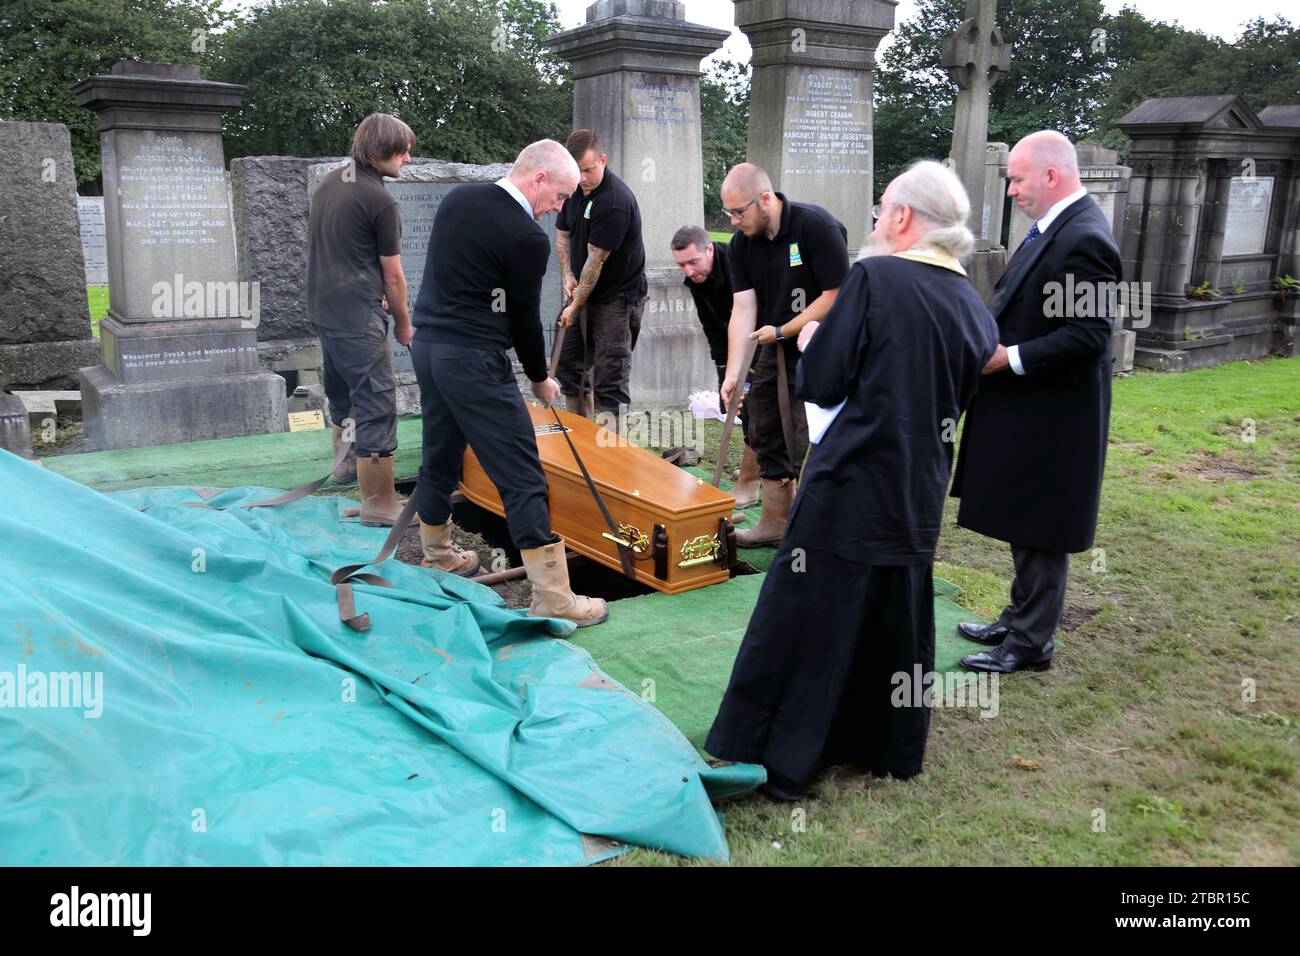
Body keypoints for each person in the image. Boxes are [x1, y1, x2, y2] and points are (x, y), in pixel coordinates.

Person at [705, 161, 999, 799]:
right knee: (895, 618)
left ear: (900, 218)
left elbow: (827, 378)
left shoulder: (877, 277)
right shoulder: (970, 301)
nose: (873, 222)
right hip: (918, 486)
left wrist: (811, 339)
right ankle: (885, 744)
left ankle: (782, 755)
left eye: (881, 209)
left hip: (852, 479)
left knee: (814, 616)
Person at [408, 140, 607, 624]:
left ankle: (436, 554)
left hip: (429, 349)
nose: (559, 208)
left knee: (440, 450)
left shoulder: (459, 198)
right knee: (521, 474)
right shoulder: (525, 236)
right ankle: (555, 597)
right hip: (474, 361)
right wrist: (541, 378)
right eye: (560, 196)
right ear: (538, 178)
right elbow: (521, 320)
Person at [952, 130, 1120, 675]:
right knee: (1025, 515)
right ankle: (1019, 615)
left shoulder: (1085, 237)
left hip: (1056, 414)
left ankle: (1031, 642)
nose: (1012, 192)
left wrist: (1010, 357)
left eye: (1017, 180)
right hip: (1032, 407)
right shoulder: (1053, 228)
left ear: (1051, 175)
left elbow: (1091, 334)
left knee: (1042, 522)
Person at [718, 163, 848, 546]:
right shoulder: (742, 244)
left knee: (818, 438)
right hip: (773, 349)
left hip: (824, 350)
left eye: (738, 212)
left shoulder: (815, 227)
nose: (733, 221)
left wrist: (783, 330)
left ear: (764, 199)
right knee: (767, 428)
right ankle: (776, 524)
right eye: (728, 213)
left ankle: (823, 532)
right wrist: (733, 373)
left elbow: (836, 295)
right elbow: (743, 309)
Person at [305, 112, 414, 525]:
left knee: (342, 388)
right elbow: (393, 274)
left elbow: (344, 249)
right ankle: (379, 503)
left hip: (324, 306)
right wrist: (403, 322)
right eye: (401, 151)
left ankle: (345, 467)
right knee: (376, 399)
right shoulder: (380, 199)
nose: (408, 159)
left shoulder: (332, 182)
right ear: (377, 152)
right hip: (355, 313)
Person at [554, 129, 647, 417]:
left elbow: (595, 262)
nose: (582, 178)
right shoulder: (572, 190)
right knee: (569, 364)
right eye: (577, 171)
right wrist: (567, 275)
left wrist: (575, 305)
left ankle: (610, 453)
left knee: (610, 378)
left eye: (588, 170)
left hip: (616, 298)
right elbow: (562, 233)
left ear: (603, 160)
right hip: (583, 289)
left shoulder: (614, 201)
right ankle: (581, 440)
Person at [670, 224, 759, 509]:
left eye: (692, 262)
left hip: (761, 339)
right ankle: (753, 470)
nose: (688, 271)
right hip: (731, 346)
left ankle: (752, 479)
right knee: (740, 407)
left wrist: (745, 370)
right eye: (681, 265)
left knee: (757, 407)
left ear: (709, 249)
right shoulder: (696, 280)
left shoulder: (736, 264)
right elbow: (712, 326)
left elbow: (750, 313)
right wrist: (724, 370)